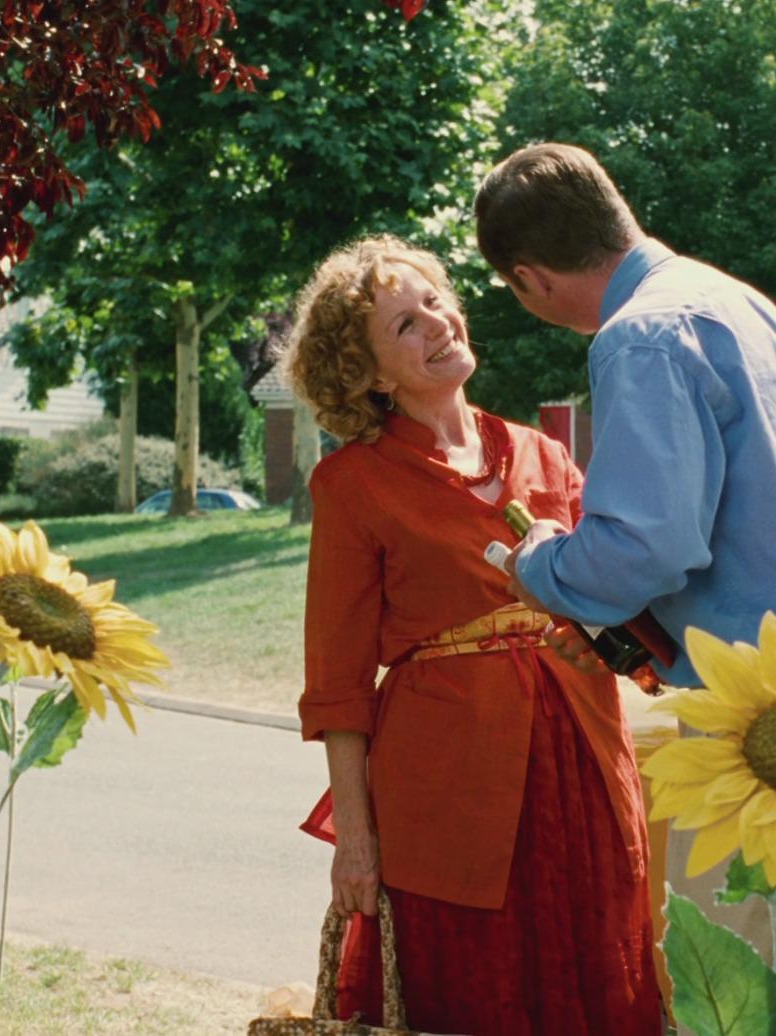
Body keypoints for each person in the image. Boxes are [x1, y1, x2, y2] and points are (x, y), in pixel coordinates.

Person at [477, 142, 776, 1029]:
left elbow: (648, 547)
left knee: (737, 997)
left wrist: (541, 565)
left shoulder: (640, 337)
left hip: (762, 707)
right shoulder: (730, 299)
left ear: (529, 279)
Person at [286, 235, 663, 1035]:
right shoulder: (351, 484)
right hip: (447, 789)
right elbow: (338, 686)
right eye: (405, 325)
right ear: (372, 376)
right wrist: (355, 840)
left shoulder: (544, 453)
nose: (436, 323)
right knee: (475, 993)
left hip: (585, 765)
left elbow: (622, 597)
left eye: (434, 302)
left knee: (601, 970)